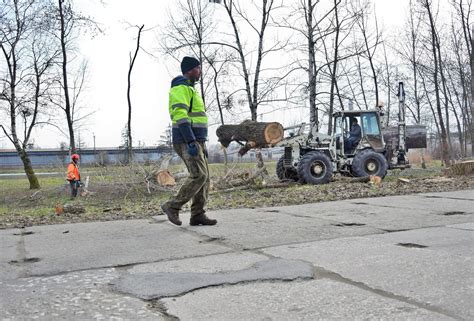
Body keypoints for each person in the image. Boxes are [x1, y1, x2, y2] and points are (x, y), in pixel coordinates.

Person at [161, 56, 217, 226]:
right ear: (191, 70)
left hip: (196, 141)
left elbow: (196, 119)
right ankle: (173, 206)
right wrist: (191, 141)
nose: (200, 71)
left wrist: (202, 143)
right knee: (198, 175)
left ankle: (197, 214)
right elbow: (180, 116)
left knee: (205, 178)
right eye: (198, 68)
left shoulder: (191, 90)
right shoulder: (181, 87)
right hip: (186, 140)